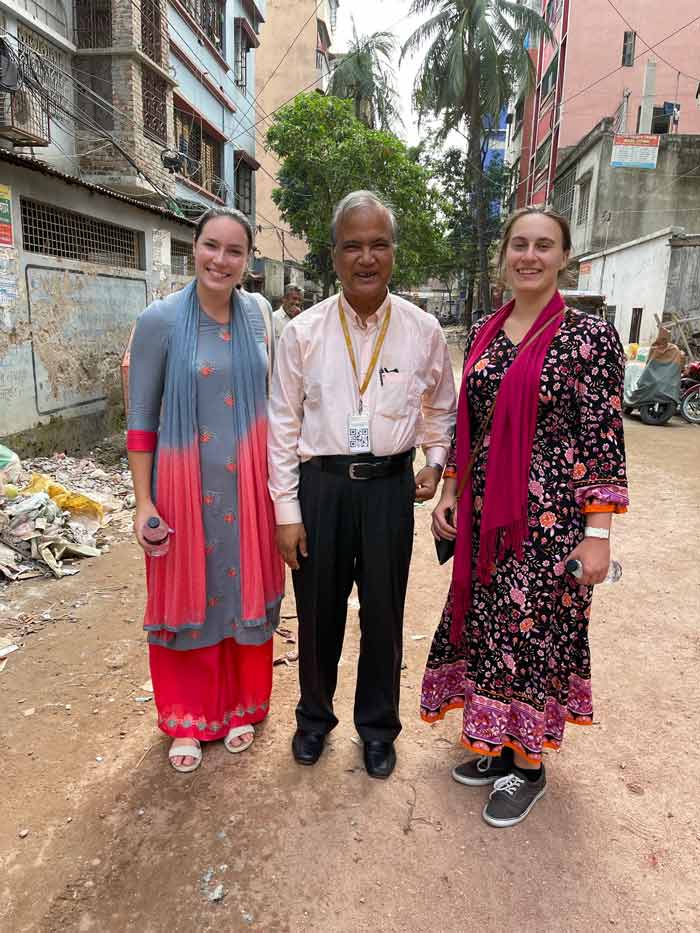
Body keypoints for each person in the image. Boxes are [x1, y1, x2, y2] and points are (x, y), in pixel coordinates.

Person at [424, 207, 629, 827]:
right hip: (489, 513)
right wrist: (452, 491)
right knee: (490, 627)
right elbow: (471, 423)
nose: (530, 256)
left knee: (534, 635)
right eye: (520, 244)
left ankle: (528, 765)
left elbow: (602, 438)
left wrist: (598, 536)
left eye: (544, 246)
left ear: (564, 257)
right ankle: (494, 742)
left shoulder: (590, 338)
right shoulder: (486, 332)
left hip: (552, 518)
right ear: (504, 256)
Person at [268, 190, 456, 779]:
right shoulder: (302, 332)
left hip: (388, 491)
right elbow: (281, 425)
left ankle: (378, 729)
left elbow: (441, 408)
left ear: (394, 253)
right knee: (318, 611)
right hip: (320, 489)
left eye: (378, 244)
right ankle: (313, 720)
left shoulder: (423, 330)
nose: (366, 258)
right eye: (353, 246)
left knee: (383, 614)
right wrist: (286, 511)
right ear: (334, 255)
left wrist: (435, 459)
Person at [127, 207, 285, 773]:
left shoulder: (260, 316)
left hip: (249, 492)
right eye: (211, 246)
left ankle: (241, 705)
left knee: (240, 591)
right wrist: (145, 502)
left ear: (248, 260)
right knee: (188, 595)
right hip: (183, 490)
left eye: (234, 251)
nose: (221, 260)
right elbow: (142, 421)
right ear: (193, 247)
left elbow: (277, 402)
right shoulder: (160, 321)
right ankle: (187, 718)